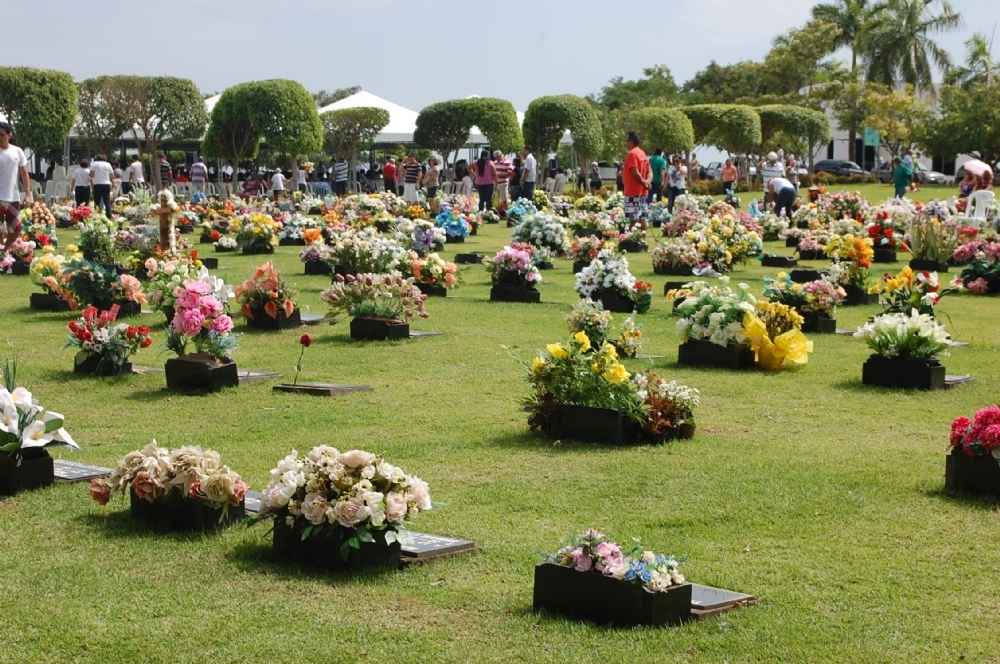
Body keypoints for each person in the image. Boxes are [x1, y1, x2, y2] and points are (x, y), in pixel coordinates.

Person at [0, 122, 32, 253]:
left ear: (9, 135)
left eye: (2, 135)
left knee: (16, 229)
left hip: (13, 197)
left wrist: (28, 194)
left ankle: (4, 251)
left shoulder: (17, 151)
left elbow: (24, 174)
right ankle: (2, 256)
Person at [622, 131, 651, 230]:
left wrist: (643, 182)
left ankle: (632, 238)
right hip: (643, 191)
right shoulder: (642, 153)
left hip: (632, 191)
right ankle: (643, 238)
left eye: (626, 140)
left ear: (631, 141)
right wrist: (647, 182)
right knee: (642, 218)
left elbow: (635, 172)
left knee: (633, 218)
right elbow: (649, 172)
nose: (625, 143)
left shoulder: (632, 154)